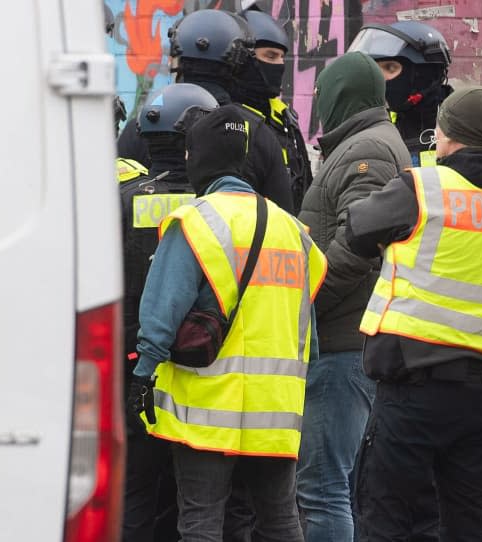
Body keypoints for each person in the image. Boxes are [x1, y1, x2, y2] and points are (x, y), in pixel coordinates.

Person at [127, 104, 327, 542]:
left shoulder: (197, 222)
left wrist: (141, 378)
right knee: (279, 522)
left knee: (201, 521)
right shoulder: (294, 232)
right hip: (276, 411)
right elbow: (308, 338)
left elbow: (159, 317)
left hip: (207, 409)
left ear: (197, 157)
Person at [346, 85, 482, 540]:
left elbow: (357, 227)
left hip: (413, 389)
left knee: (386, 516)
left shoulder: (424, 186)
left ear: (444, 134)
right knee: (469, 518)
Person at [295, 51, 411, 542]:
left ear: (340, 95)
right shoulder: (366, 144)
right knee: (337, 486)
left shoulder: (370, 152)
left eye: (323, 95)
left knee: (323, 487)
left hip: (343, 345)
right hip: (347, 341)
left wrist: (304, 302)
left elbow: (358, 244)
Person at [120, 82, 219, 542]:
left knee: (135, 487)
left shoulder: (119, 199)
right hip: (202, 368)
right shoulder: (216, 209)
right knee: (197, 495)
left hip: (132, 364)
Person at [118, 9, 294, 213]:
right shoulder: (256, 131)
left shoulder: (141, 125)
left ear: (177, 56)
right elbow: (283, 216)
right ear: (238, 62)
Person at [231, 5, 313, 214]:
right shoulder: (224, 119)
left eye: (281, 58)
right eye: (270, 56)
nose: (279, 65)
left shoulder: (284, 119)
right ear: (244, 58)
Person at [347, 21, 453, 167]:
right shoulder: (378, 124)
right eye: (376, 70)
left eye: (390, 67)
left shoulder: (462, 124)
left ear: (425, 73)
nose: (380, 79)